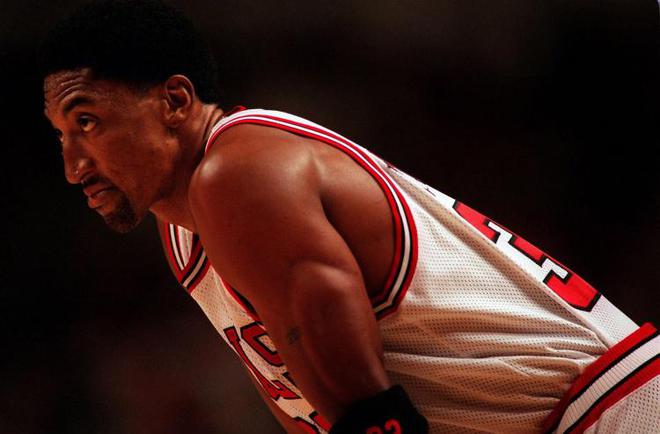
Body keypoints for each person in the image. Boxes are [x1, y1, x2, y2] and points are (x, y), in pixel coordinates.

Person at [41, 1, 658, 433]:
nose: (73, 166)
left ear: (174, 101)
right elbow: (308, 411)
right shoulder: (182, 232)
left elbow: (374, 418)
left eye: (87, 122)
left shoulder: (238, 175)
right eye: (61, 135)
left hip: (610, 405)